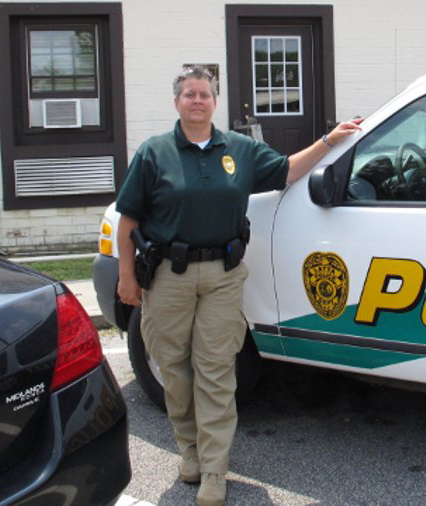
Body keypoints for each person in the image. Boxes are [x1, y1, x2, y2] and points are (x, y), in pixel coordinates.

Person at [115, 66, 361, 506]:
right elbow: (129, 219)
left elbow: (286, 171)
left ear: (214, 102)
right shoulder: (153, 153)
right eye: (189, 94)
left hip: (222, 277)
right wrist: (127, 277)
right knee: (173, 367)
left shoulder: (240, 149)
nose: (197, 100)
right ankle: (187, 451)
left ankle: (213, 470)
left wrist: (330, 141)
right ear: (176, 102)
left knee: (215, 371)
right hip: (168, 277)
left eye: (204, 94)